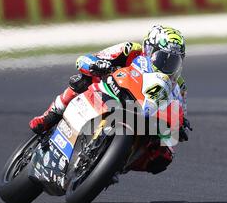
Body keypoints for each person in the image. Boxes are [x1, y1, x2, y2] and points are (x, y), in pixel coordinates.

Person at [29, 25, 191, 174]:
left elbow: (180, 110)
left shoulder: (178, 85)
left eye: (173, 61)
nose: (167, 64)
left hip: (146, 114)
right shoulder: (130, 50)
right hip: (111, 91)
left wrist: (180, 124)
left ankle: (115, 165)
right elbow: (85, 60)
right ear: (149, 49)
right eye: (163, 57)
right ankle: (51, 115)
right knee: (82, 80)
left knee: (163, 156)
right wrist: (98, 65)